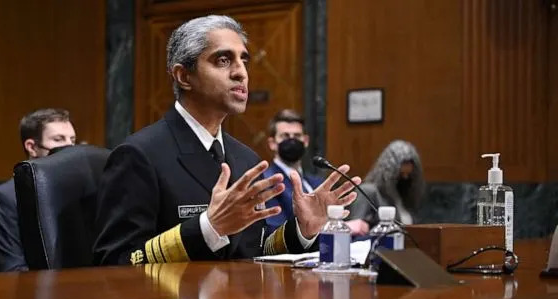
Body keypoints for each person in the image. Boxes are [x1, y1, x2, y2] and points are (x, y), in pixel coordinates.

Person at [93, 15, 361, 266]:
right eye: (223, 60)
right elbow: (116, 261)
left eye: (244, 60)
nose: (241, 73)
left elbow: (253, 250)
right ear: (184, 76)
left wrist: (302, 229)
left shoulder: (246, 159)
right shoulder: (139, 155)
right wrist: (209, 229)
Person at [0, 108, 76, 271]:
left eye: (73, 141)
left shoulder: (79, 192)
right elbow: (12, 270)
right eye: (59, 140)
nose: (69, 148)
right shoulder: (4, 199)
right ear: (32, 147)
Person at [263, 109, 323, 231]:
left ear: (305, 141)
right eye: (285, 136)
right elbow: (276, 230)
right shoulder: (267, 182)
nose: (292, 140)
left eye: (297, 136)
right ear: (272, 143)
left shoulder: (316, 182)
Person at [346, 140, 425, 233]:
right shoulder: (368, 192)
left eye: (408, 175)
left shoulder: (407, 197)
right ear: (389, 173)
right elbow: (356, 228)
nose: (405, 179)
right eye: (401, 174)